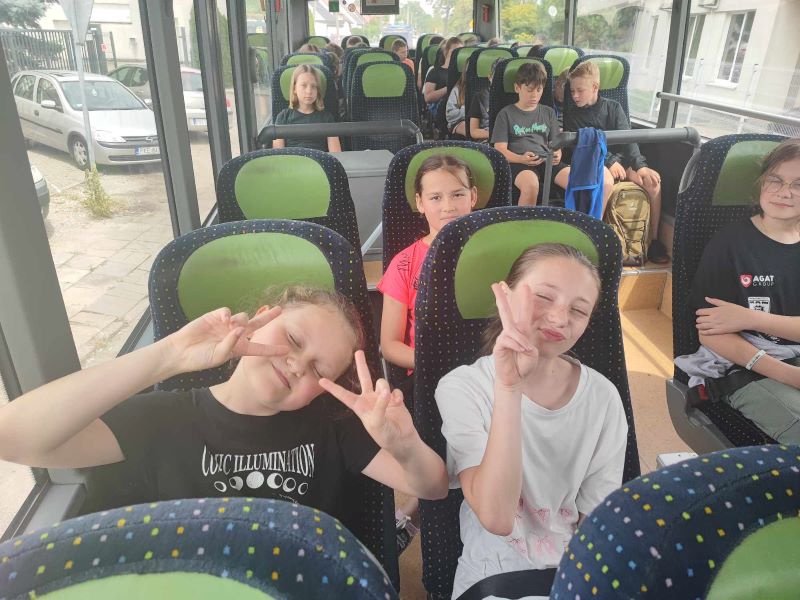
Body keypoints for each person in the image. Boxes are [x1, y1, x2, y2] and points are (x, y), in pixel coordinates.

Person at [0, 286, 449, 529]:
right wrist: (168, 356)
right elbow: (13, 437)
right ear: (262, 317)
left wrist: (406, 445)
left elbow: (431, 488)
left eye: (319, 370)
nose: (296, 365)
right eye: (293, 339)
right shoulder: (163, 419)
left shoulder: (333, 427)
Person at [436, 244, 628, 598]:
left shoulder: (603, 397)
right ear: (506, 295)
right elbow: (496, 517)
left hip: (571, 569)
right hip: (494, 572)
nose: (560, 318)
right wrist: (509, 387)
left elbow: (596, 518)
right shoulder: (463, 387)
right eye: (543, 297)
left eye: (578, 310)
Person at [379, 155, 479, 552]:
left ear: (473, 197)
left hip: (487, 370)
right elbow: (390, 345)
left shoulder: (493, 255)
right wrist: (438, 363)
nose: (448, 206)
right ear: (420, 203)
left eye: (457, 194)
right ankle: (423, 512)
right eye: (436, 197)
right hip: (426, 375)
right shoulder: (405, 264)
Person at [675, 138, 800, 443]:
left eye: (799, 184)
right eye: (775, 180)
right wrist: (789, 375)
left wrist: (749, 317)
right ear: (761, 184)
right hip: (740, 365)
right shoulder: (729, 245)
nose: (784, 192)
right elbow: (711, 333)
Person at [564, 61, 668, 263]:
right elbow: (587, 145)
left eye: (580, 90)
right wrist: (609, 161)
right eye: (572, 91)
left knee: (653, 183)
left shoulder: (613, 107)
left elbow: (628, 138)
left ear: (595, 87)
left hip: (622, 161)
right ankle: (593, 236)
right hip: (594, 161)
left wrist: (640, 166)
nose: (575, 96)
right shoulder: (572, 115)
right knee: (606, 182)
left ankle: (653, 241)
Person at [491, 61, 568, 206]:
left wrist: (557, 153)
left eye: (539, 90)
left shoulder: (548, 113)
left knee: (575, 181)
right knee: (531, 185)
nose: (534, 95)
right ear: (517, 88)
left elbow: (556, 143)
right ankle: (524, 220)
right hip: (517, 161)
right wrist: (521, 159)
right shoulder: (506, 114)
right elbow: (500, 150)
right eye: (530, 90)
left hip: (545, 159)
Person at [273, 64, 341, 152]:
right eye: (303, 85)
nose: (309, 91)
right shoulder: (283, 117)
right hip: (293, 159)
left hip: (318, 159)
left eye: (313, 86)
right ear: (294, 88)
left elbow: (336, 153)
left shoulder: (327, 118)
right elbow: (278, 154)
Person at [424, 36, 463, 117]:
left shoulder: (464, 73)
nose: (457, 54)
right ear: (446, 52)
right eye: (454, 51)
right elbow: (428, 97)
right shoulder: (435, 72)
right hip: (441, 108)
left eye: (460, 52)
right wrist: (449, 87)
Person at [467, 58, 501, 142]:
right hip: (487, 139)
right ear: (490, 77)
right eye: (497, 78)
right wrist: (498, 135)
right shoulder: (480, 97)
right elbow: (473, 131)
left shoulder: (518, 97)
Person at [445, 68, 468, 137]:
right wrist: (466, 111)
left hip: (481, 122)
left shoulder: (486, 91)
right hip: (459, 121)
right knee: (468, 128)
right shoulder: (457, 90)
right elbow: (449, 115)